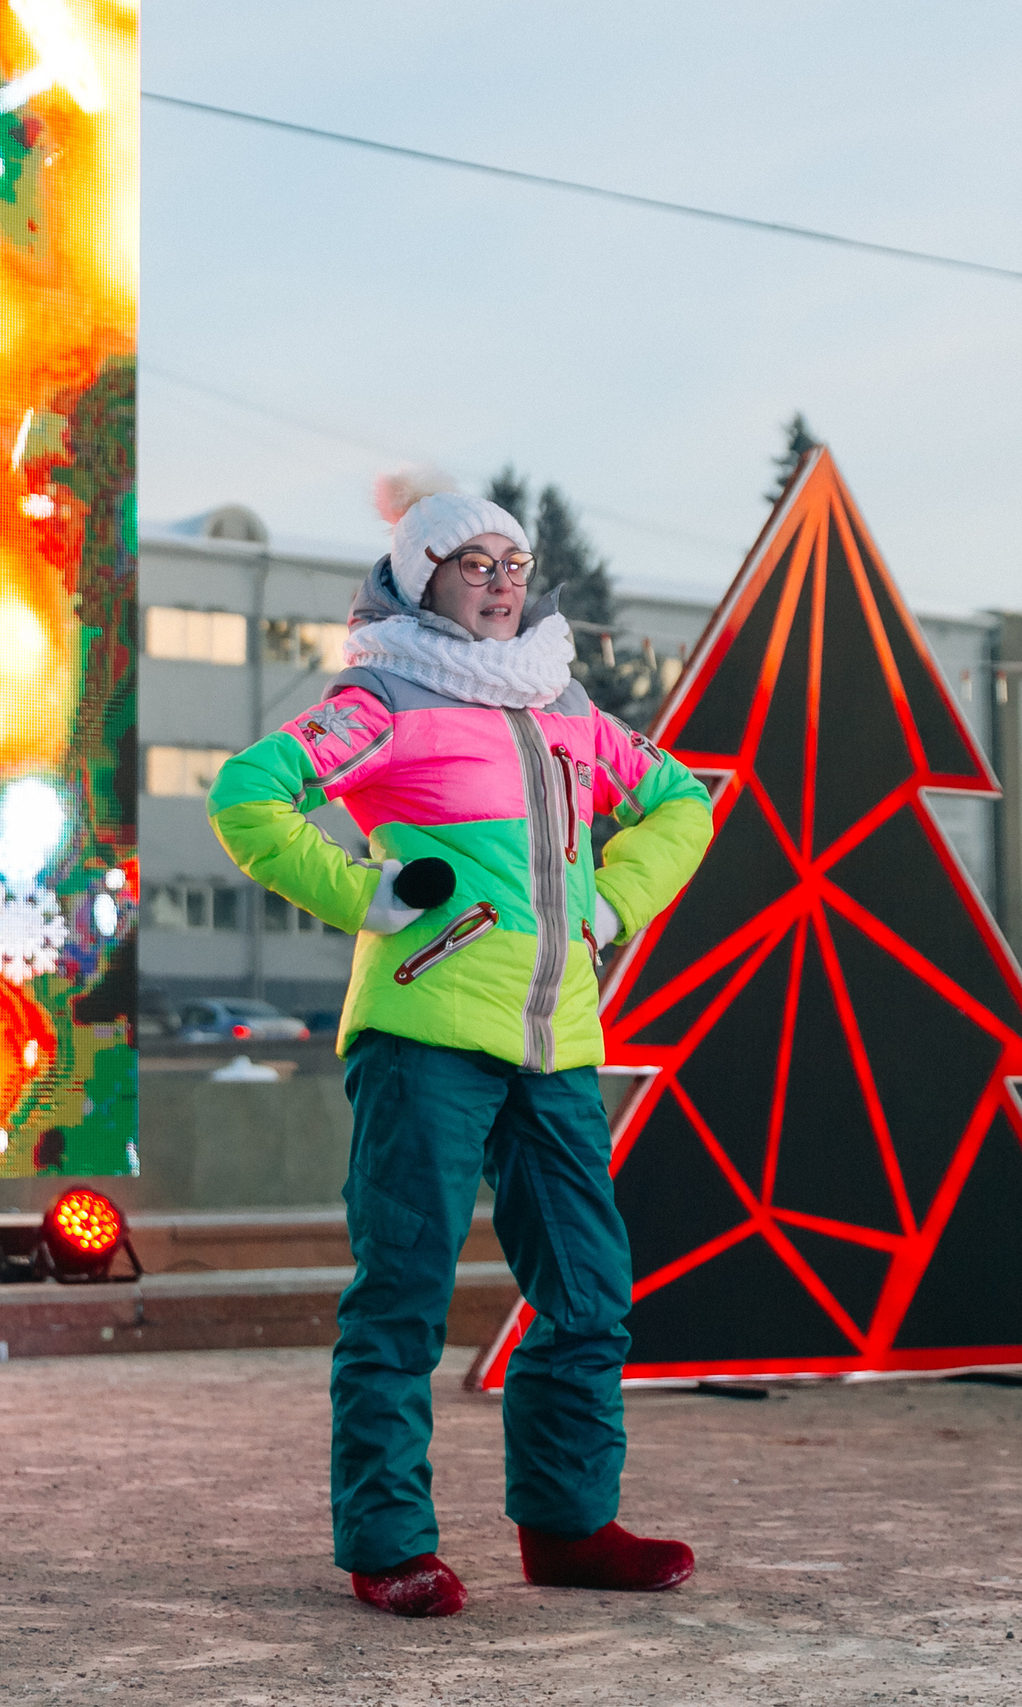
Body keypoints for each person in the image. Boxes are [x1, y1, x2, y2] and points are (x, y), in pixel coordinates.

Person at [207, 488, 716, 1619]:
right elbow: (249, 796)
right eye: (471, 560)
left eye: (513, 560)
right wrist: (365, 895)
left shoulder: (564, 704)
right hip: (425, 1037)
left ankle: (569, 1528)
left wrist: (607, 909)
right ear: (420, 576)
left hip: (557, 1044)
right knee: (403, 1292)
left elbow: (682, 804)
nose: (498, 578)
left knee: (587, 1296)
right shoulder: (382, 696)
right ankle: (388, 1543)